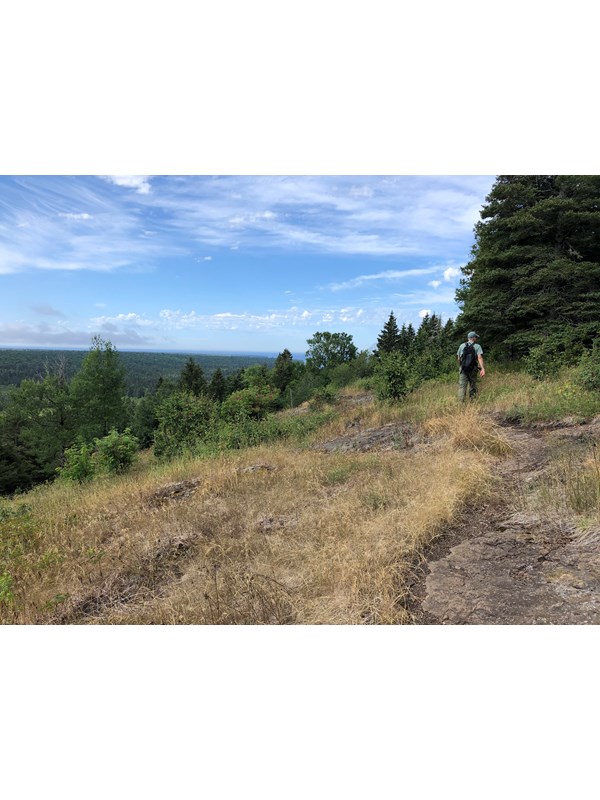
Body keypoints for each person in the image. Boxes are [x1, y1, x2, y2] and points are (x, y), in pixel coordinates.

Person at [457, 331, 485, 402]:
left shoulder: (461, 345)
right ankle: (472, 401)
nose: (476, 338)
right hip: (473, 369)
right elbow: (479, 357)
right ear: (472, 338)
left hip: (463, 369)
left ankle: (461, 403)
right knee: (472, 385)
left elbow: (458, 358)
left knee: (462, 386)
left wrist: (463, 365)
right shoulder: (477, 346)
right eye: (475, 337)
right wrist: (482, 369)